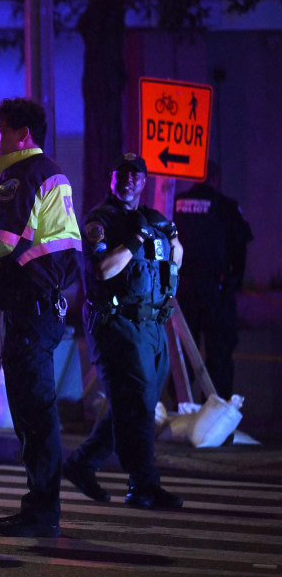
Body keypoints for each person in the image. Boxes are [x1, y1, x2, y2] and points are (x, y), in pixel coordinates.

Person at [0, 97, 81, 538]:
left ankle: (42, 510)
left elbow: (2, 239)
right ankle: (41, 506)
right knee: (36, 411)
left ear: (23, 134)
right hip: (39, 304)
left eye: (0, 131)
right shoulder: (47, 172)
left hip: (28, 306)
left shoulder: (23, 174)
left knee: (34, 413)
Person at [63, 153, 184, 510]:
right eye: (123, 174)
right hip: (117, 323)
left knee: (135, 405)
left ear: (144, 181)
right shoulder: (100, 220)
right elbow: (102, 270)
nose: (130, 179)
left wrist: (172, 236)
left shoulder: (151, 219)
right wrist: (135, 238)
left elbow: (175, 260)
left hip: (152, 325)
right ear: (112, 178)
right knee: (136, 405)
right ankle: (143, 484)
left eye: (137, 175)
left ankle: (82, 463)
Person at [172, 162, 253, 398]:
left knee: (183, 350)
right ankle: (215, 404)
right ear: (216, 179)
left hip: (182, 289)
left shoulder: (175, 205)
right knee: (219, 351)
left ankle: (181, 402)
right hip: (216, 290)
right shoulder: (226, 206)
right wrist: (236, 283)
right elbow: (240, 248)